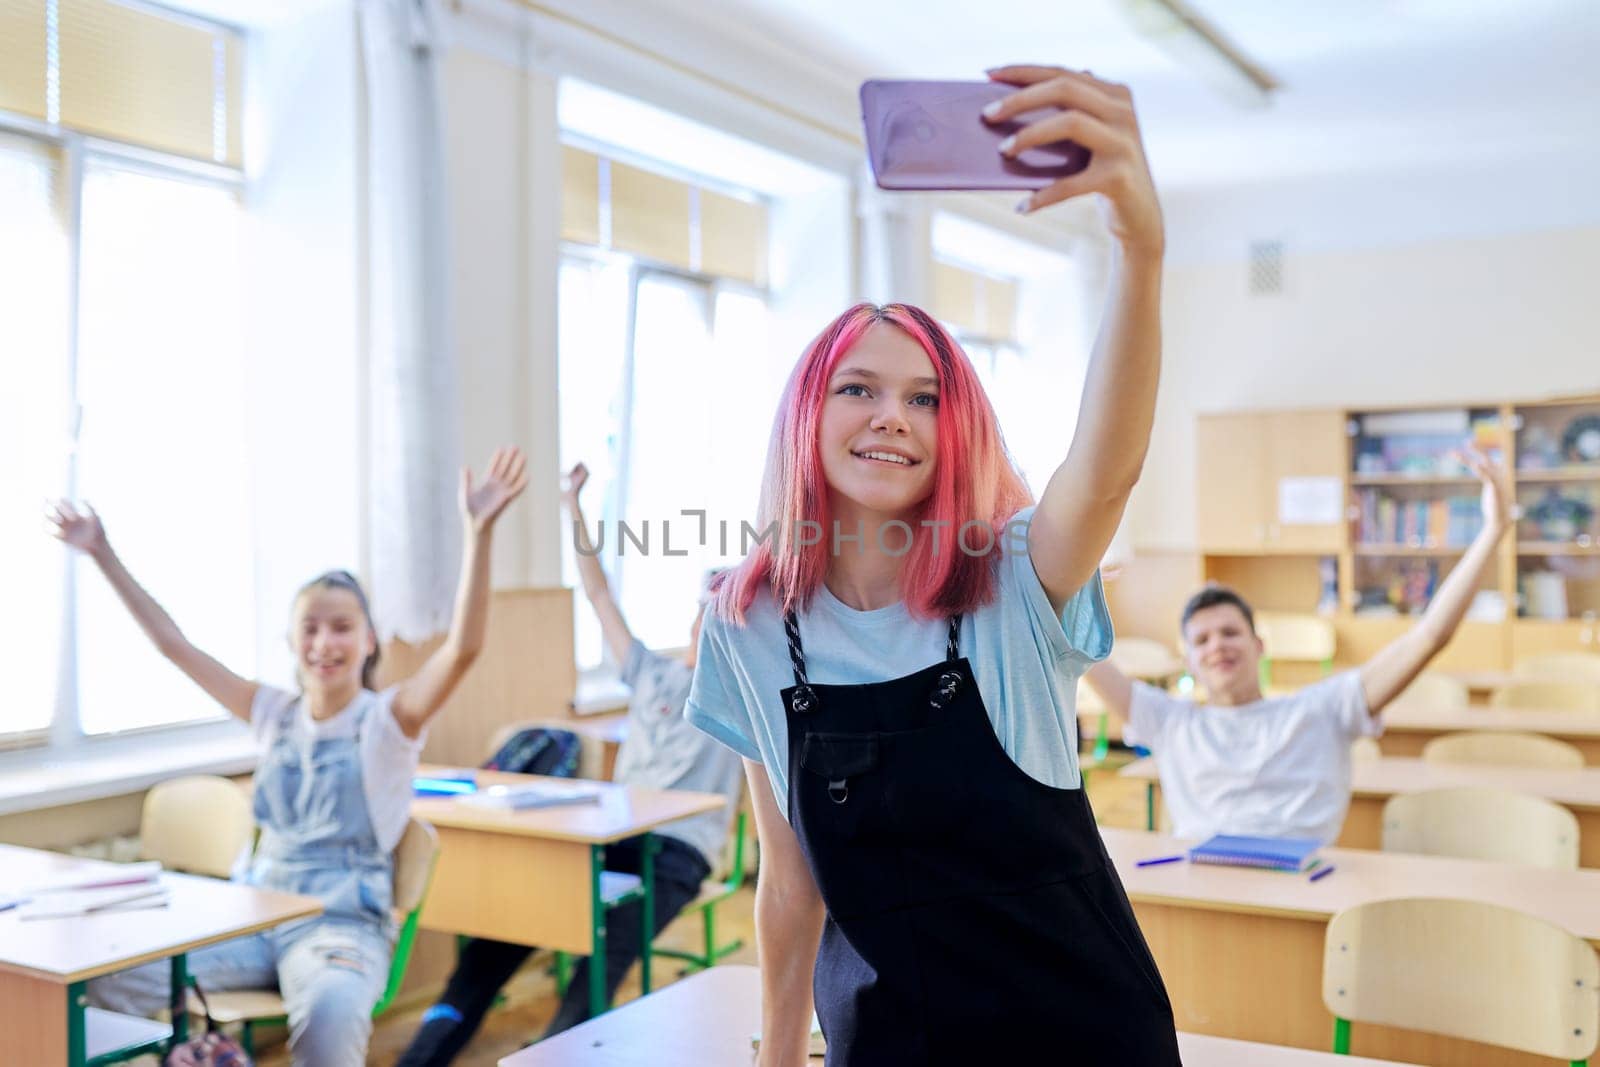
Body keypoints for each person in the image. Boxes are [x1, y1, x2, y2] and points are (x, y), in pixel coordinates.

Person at [686, 66, 1179, 1066]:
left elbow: (1108, 470)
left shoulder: (1012, 580)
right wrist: (778, 1054)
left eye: (923, 398)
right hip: (886, 1042)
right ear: (805, 416)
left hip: (1078, 1035)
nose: (891, 417)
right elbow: (789, 882)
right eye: (858, 388)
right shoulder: (743, 623)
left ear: (955, 427)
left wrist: (1140, 244)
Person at [50, 446, 528, 1067]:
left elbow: (463, 650)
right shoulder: (272, 712)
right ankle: (205, 1052)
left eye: (341, 627)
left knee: (330, 1016)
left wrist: (480, 532)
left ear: (369, 640)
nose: (324, 642)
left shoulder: (388, 723)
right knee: (101, 980)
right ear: (291, 640)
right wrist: (103, 554)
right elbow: (173, 645)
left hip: (338, 929)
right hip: (250, 920)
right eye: (310, 627)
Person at [395, 461, 744, 1065]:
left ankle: (558, 1050)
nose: (712, 625)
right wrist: (571, 507)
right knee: (496, 935)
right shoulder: (650, 673)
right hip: (606, 839)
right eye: (706, 609)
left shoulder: (746, 693)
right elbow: (599, 593)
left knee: (598, 968)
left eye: (732, 614)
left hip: (677, 856)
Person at [1086, 448, 1512, 844]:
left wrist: (1493, 532)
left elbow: (1427, 639)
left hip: (1299, 886)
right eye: (1202, 640)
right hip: (1206, 887)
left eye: (1230, 633)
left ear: (1259, 646)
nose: (1217, 645)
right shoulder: (1170, 722)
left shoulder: (1320, 710)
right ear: (1189, 661)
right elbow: (1082, 653)